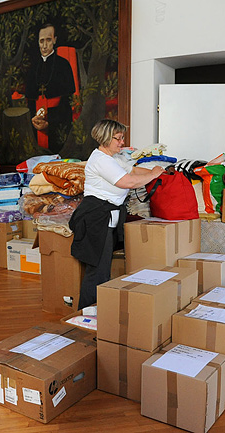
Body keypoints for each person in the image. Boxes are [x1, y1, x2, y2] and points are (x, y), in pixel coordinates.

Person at [69, 119, 165, 310]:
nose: (122, 142)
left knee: (103, 268)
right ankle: (85, 314)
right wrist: (154, 174)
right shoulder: (101, 160)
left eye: (122, 138)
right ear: (106, 138)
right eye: (118, 138)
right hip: (96, 217)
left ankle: (99, 312)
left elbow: (134, 170)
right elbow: (128, 182)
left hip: (107, 216)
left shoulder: (114, 158)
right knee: (97, 271)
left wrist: (160, 172)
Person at [25, 23, 76, 154]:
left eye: (48, 40)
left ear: (55, 40)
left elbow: (68, 101)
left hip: (58, 121)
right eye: (41, 41)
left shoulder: (63, 65)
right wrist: (33, 119)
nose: (44, 45)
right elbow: (29, 99)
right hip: (35, 121)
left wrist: (50, 122)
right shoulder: (33, 67)